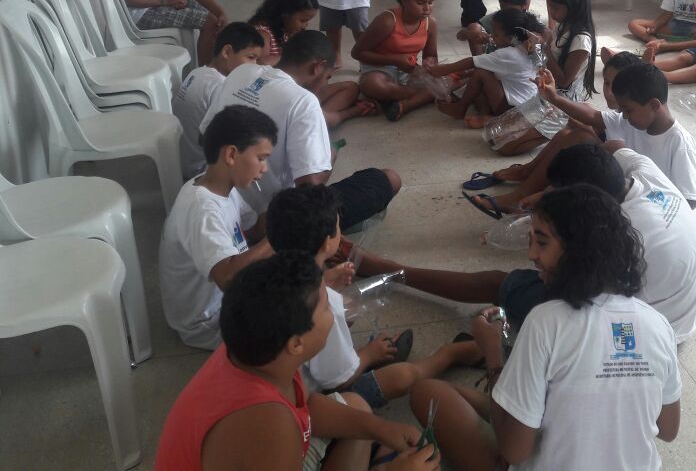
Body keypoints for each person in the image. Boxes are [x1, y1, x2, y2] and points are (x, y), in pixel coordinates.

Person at [407, 184, 682, 471]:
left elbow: (515, 451)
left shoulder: (546, 321)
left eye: (542, 242)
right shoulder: (657, 323)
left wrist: (494, 356)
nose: (531, 255)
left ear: (578, 249)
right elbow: (668, 429)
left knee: (428, 393)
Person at [367, 143, 696, 341]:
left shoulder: (613, 236)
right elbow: (614, 144)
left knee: (501, 283)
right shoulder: (645, 174)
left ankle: (392, 271)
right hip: (677, 309)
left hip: (640, 329)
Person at [155, 252, 438, 471]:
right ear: (296, 343)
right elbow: (281, 422)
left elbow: (305, 404)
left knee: (356, 408)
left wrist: (380, 429)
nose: (335, 313)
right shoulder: (270, 424)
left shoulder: (259, 352)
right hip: (270, 448)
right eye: (327, 307)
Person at [265, 186, 482, 411]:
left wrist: (328, 281)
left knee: (346, 308)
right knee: (401, 377)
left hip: (276, 387)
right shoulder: (323, 307)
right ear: (327, 243)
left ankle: (355, 357)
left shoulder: (266, 279)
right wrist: (368, 354)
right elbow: (338, 381)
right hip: (305, 405)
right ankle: (450, 354)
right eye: (339, 227)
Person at [200, 30, 401, 230]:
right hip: (271, 222)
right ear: (317, 67)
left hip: (219, 203)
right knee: (388, 179)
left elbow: (204, 135)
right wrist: (329, 158)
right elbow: (310, 190)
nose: (325, 84)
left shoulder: (241, 72)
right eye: (327, 77)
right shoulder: (303, 102)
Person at [466, 62, 696, 214]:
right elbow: (592, 116)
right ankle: (524, 196)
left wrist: (650, 216)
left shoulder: (679, 142)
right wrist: (553, 97)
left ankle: (537, 200)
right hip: (615, 188)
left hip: (642, 206)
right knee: (579, 137)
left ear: (654, 105)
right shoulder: (631, 119)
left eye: (628, 110)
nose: (623, 116)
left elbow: (688, 202)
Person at [159, 105, 277, 349]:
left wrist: (285, 212)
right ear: (231, 154)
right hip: (207, 321)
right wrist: (278, 238)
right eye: (261, 158)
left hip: (226, 295)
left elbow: (253, 230)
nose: (265, 168)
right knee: (302, 322)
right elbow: (228, 279)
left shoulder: (220, 186)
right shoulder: (203, 210)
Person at [490, 0, 597, 156]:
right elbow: (546, 63)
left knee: (505, 147)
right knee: (494, 136)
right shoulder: (562, 26)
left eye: (555, 8)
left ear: (573, 5)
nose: (551, 13)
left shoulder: (581, 39)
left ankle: (564, 129)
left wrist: (545, 48)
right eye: (549, 6)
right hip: (547, 94)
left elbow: (563, 81)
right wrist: (534, 49)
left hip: (563, 102)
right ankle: (556, 129)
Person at [249, 0, 373, 127]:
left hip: (299, 90)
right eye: (302, 20)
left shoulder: (287, 31)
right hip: (277, 94)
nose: (305, 25)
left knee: (351, 87)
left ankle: (314, 116)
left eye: (307, 21)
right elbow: (260, 63)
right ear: (284, 13)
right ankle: (321, 118)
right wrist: (293, 56)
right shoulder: (263, 33)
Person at [173, 22, 265, 179]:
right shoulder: (221, 87)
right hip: (201, 169)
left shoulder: (197, 72)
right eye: (251, 57)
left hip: (182, 162)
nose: (255, 66)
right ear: (227, 52)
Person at [431, 8, 545, 128]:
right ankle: (484, 115)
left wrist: (442, 69)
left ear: (510, 38)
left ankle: (461, 108)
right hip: (525, 105)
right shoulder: (526, 49)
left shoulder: (508, 54)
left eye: (495, 34)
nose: (491, 36)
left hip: (514, 108)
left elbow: (472, 62)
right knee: (476, 87)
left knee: (480, 73)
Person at [352, 0, 440, 122]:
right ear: (404, 1)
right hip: (380, 69)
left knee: (452, 76)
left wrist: (429, 63)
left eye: (430, 2)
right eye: (420, 3)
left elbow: (431, 55)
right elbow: (357, 53)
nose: (427, 8)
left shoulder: (430, 23)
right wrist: (395, 60)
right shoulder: (387, 21)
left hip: (409, 70)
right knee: (374, 84)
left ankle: (401, 102)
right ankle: (420, 96)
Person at [456, 0, 530, 56]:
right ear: (500, 4)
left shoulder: (529, 21)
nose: (508, 14)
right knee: (474, 28)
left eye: (513, 11)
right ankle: (479, 61)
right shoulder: (494, 19)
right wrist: (472, 34)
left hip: (520, 60)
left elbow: (539, 37)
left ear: (524, 6)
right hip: (494, 58)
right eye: (505, 9)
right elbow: (460, 35)